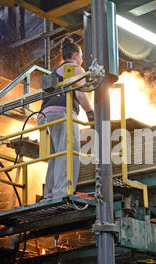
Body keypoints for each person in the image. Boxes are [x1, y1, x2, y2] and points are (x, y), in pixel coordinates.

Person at [38, 37, 94, 200]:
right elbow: (80, 94)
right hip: (62, 114)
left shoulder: (55, 72)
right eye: (81, 56)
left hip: (44, 117)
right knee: (69, 153)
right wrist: (91, 115)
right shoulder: (75, 68)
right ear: (75, 55)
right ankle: (62, 193)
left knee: (54, 157)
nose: (82, 60)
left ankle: (49, 194)